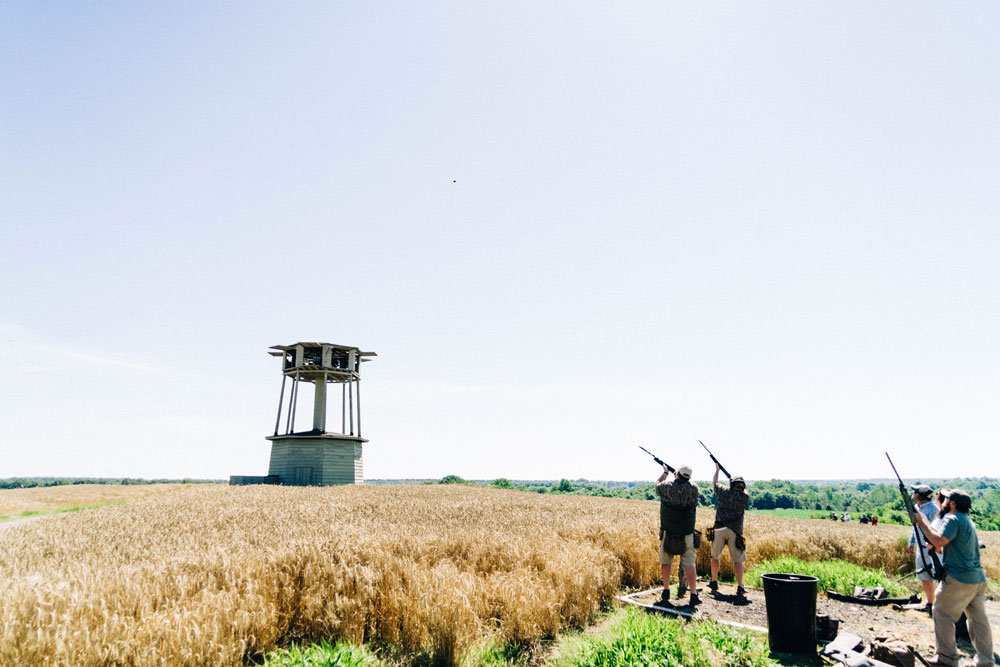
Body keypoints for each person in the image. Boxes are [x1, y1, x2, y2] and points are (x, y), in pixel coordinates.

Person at [915, 489, 993, 667]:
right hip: (977, 578)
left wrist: (921, 521)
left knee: (941, 612)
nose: (942, 499)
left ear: (952, 503)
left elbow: (939, 541)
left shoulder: (952, 518)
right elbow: (949, 547)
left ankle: (946, 658)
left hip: (959, 578)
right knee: (978, 620)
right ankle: (985, 662)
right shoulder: (967, 520)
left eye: (946, 498)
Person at [655, 463, 700, 605]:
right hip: (687, 534)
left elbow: (657, 485)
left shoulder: (666, 486)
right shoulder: (694, 489)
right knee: (689, 564)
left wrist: (665, 473)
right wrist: (681, 476)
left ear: (677, 474)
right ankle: (693, 595)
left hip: (668, 533)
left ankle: (666, 591)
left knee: (666, 562)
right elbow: (689, 484)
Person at [707, 463, 750, 596]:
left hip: (719, 528)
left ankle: (713, 581)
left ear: (732, 484)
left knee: (715, 557)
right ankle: (740, 586)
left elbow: (715, 483)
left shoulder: (724, 492)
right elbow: (746, 492)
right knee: (737, 560)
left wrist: (717, 470)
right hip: (735, 531)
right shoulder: (745, 497)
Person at [908, 484, 939, 608]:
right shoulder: (916, 507)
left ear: (920, 495)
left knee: (933, 575)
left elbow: (936, 530)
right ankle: (930, 603)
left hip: (930, 548)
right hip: (920, 547)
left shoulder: (933, 510)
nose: (913, 493)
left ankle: (936, 604)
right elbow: (915, 527)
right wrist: (912, 543)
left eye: (915, 491)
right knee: (924, 577)